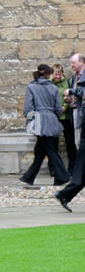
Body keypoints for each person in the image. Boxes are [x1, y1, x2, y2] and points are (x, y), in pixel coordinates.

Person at [20, 64, 70, 187]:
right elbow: (58, 107)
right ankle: (29, 177)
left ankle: (62, 176)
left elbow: (28, 107)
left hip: (39, 120)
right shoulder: (53, 87)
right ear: (48, 74)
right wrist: (54, 116)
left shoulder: (31, 86)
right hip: (51, 119)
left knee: (47, 148)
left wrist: (28, 117)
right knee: (41, 149)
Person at [54, 52, 85, 211]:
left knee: (82, 162)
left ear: (81, 62)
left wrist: (72, 92)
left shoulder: (82, 77)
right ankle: (65, 194)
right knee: (81, 160)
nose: (71, 65)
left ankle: (65, 194)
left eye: (73, 62)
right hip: (82, 121)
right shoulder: (77, 77)